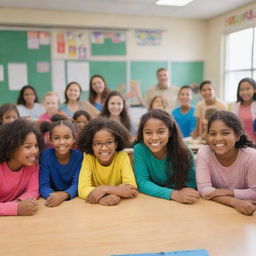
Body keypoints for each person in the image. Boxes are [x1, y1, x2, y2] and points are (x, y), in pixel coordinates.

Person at [196, 111, 256, 216]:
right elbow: (204, 189)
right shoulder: (204, 152)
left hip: (244, 215)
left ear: (237, 136)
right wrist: (235, 202)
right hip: (214, 211)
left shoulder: (251, 156)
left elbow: (254, 193)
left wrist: (228, 192)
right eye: (212, 133)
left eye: (225, 133)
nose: (218, 138)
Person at [133, 109, 199, 203]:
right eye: (148, 132)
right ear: (142, 133)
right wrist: (173, 194)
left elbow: (191, 182)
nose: (154, 137)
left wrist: (185, 193)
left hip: (180, 203)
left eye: (160, 132)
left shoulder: (184, 151)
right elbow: (142, 182)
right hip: (153, 200)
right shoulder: (139, 149)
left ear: (170, 132)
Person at [78, 118, 137, 206]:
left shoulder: (122, 157)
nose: (104, 148)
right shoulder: (89, 158)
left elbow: (131, 187)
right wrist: (102, 198)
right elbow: (82, 189)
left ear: (116, 144)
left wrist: (104, 189)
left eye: (109, 142)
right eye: (98, 143)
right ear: (91, 146)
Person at [0, 119, 44, 216]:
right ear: (11, 147)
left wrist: (20, 203)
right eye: (28, 147)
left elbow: (33, 190)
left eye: (36, 146)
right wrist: (16, 208)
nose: (34, 151)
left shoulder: (32, 165)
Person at [39, 120, 83, 207]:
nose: (62, 142)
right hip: (52, 200)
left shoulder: (79, 156)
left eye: (67, 137)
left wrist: (63, 195)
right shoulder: (45, 156)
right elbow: (43, 185)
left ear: (73, 138)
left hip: (73, 202)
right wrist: (53, 197)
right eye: (56, 138)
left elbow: (77, 183)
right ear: (50, 139)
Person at [231, 78, 256, 143]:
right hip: (238, 142)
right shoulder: (235, 105)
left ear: (254, 90)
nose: (244, 92)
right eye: (241, 89)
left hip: (253, 143)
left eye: (248, 89)